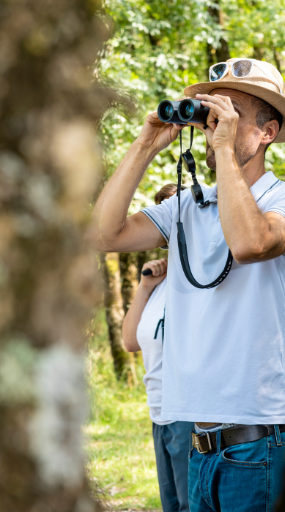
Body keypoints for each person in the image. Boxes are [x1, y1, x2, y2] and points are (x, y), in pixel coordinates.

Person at [87, 59, 285, 512]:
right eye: (212, 112)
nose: (215, 124)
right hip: (200, 445)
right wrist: (145, 145)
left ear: (268, 132)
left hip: (260, 442)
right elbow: (103, 235)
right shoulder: (188, 206)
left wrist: (226, 151)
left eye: (232, 114)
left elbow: (250, 243)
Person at [122, 183, 191, 512]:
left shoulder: (199, 276)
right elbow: (130, 341)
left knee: (190, 504)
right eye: (164, 209)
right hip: (159, 412)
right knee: (171, 505)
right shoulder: (160, 282)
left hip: (187, 413)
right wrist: (145, 286)